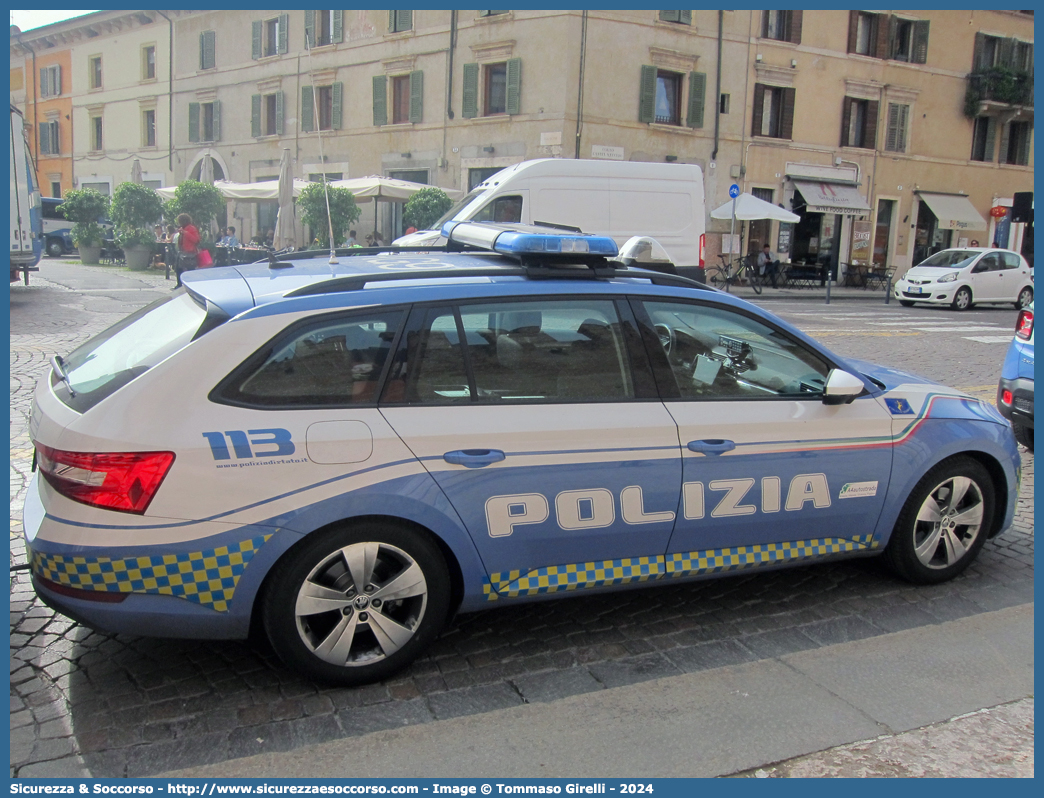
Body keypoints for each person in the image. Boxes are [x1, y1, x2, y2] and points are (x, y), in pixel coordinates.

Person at [173, 213, 200, 289]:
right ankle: (179, 284)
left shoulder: (191, 228)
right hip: (182, 251)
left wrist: (185, 233)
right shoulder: (183, 228)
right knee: (178, 268)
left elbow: (196, 239)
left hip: (189, 252)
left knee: (189, 269)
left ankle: (191, 284)